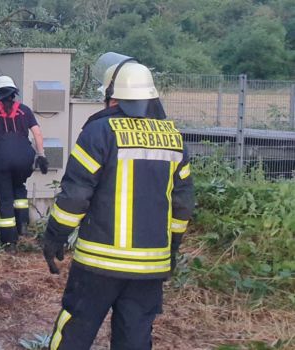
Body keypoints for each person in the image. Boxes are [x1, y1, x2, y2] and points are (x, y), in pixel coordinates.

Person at [41, 53, 195, 350]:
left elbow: (75, 196)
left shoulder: (99, 132)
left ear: (113, 97)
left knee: (74, 329)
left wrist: (54, 236)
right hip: (150, 266)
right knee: (135, 338)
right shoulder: (174, 138)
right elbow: (183, 205)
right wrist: (172, 248)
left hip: (98, 263)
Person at [0, 75, 49, 250]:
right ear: (14, 93)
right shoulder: (25, 110)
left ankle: (9, 242)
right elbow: (37, 133)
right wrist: (41, 155)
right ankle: (22, 227)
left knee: (5, 197)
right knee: (19, 187)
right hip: (24, 156)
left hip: (0, 157)